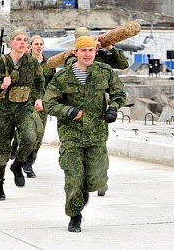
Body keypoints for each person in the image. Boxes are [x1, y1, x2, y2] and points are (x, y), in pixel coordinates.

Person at [44, 35, 127, 232]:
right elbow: (49, 103)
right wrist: (68, 111)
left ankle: (83, 193)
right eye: (83, 50)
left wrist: (114, 107)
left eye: (90, 50)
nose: (87, 54)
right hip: (71, 135)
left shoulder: (104, 71)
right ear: (76, 52)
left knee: (96, 179)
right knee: (73, 177)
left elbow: (119, 93)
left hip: (96, 134)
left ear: (95, 52)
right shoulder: (63, 77)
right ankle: (74, 216)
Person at [65, 27, 129, 197]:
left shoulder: (99, 55)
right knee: (79, 152)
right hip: (79, 108)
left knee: (98, 148)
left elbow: (123, 64)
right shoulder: (72, 58)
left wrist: (109, 48)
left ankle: (100, 179)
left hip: (99, 102)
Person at [0, 29, 44, 200]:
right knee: (3, 152)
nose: (22, 43)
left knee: (30, 138)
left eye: (25, 40)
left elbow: (39, 81)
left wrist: (39, 97)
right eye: (18, 40)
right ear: (11, 42)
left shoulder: (32, 63)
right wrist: (0, 86)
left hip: (24, 107)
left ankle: (18, 164)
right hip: (3, 110)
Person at [21, 35, 56, 178]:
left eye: (41, 44)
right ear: (30, 47)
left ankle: (29, 162)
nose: (39, 46)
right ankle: (21, 157)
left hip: (41, 103)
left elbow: (53, 85)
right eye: (36, 44)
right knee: (27, 133)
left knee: (39, 134)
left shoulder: (50, 64)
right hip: (24, 103)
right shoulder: (24, 63)